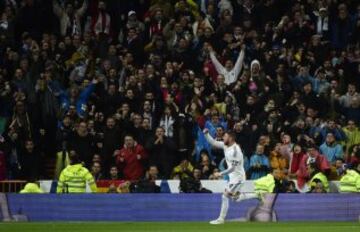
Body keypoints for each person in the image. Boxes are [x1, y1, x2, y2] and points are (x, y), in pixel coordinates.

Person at [203, 128, 248, 225]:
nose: (223, 137)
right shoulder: (225, 145)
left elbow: (232, 169)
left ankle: (221, 219)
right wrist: (206, 134)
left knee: (225, 196)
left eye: (225, 136)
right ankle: (257, 195)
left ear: (231, 138)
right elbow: (214, 142)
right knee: (235, 198)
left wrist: (220, 173)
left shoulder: (236, 151)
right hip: (233, 178)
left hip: (238, 179)